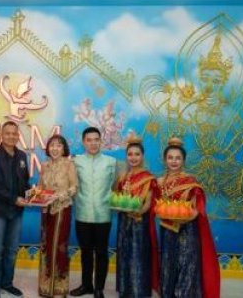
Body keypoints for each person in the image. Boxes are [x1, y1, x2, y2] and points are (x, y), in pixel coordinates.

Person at [157, 139, 220, 298]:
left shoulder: (191, 181)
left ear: (183, 160)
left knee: (186, 265)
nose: (174, 161)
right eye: (170, 158)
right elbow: (156, 206)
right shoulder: (158, 182)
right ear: (165, 160)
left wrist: (183, 218)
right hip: (167, 230)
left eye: (178, 158)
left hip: (187, 231)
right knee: (168, 265)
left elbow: (197, 208)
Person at [71, 126, 119, 298]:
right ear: (83, 142)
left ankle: (99, 288)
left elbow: (115, 186)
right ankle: (86, 285)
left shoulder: (111, 162)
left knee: (101, 252)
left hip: (103, 214)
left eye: (96, 139)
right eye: (89, 140)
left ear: (101, 141)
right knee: (85, 252)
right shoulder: (75, 161)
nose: (93, 143)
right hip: (82, 213)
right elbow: (72, 185)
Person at [0, 121, 31, 298]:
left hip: (17, 212)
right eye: (8, 133)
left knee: (12, 249)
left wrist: (32, 194)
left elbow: (24, 181)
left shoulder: (21, 156)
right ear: (1, 135)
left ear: (18, 135)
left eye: (14, 133)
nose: (11, 136)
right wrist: (14, 199)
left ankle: (7, 283)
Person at [114, 134, 159, 298]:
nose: (133, 158)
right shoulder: (123, 177)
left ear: (142, 156)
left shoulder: (148, 178)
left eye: (137, 154)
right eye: (130, 154)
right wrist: (118, 207)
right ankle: (125, 291)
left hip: (140, 223)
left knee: (138, 256)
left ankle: (139, 292)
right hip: (124, 223)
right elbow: (117, 199)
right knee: (124, 254)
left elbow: (148, 202)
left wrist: (138, 212)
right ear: (126, 156)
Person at [37, 134, 78, 298]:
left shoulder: (69, 164)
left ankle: (59, 287)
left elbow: (74, 187)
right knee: (46, 245)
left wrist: (59, 196)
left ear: (63, 148)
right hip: (46, 210)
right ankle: (46, 286)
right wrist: (36, 194)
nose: (55, 148)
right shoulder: (44, 165)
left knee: (59, 246)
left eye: (58, 145)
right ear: (48, 148)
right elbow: (40, 187)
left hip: (62, 209)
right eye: (52, 145)